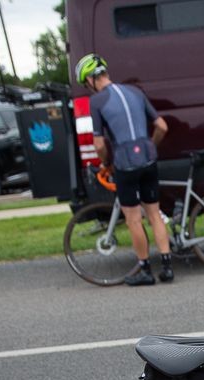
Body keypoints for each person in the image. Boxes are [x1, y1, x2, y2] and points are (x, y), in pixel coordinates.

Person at [75, 53, 172, 286]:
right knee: (154, 214)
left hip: (125, 163)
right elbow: (161, 126)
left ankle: (145, 269)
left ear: (90, 79)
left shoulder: (96, 101)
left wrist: (106, 163)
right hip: (148, 159)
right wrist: (150, 146)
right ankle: (167, 267)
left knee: (133, 219)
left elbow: (99, 144)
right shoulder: (135, 91)